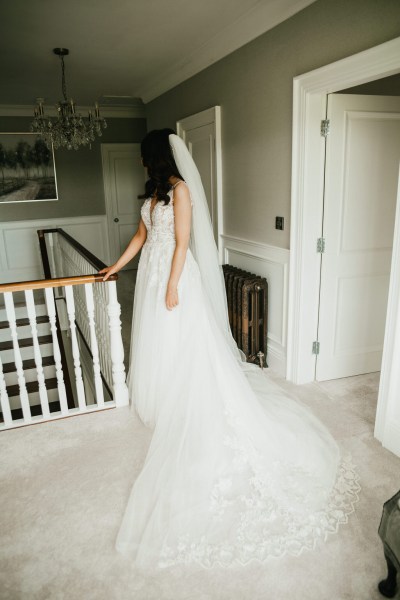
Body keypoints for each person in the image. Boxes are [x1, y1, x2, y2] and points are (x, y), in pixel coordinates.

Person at [99, 129, 360, 569]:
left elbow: (182, 243)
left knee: (185, 342)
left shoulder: (181, 191)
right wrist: (116, 267)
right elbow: (143, 238)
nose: (143, 164)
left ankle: (190, 398)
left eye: (145, 157)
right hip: (150, 272)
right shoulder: (151, 196)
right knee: (156, 341)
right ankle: (163, 397)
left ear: (155, 158)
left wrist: (172, 286)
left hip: (175, 276)